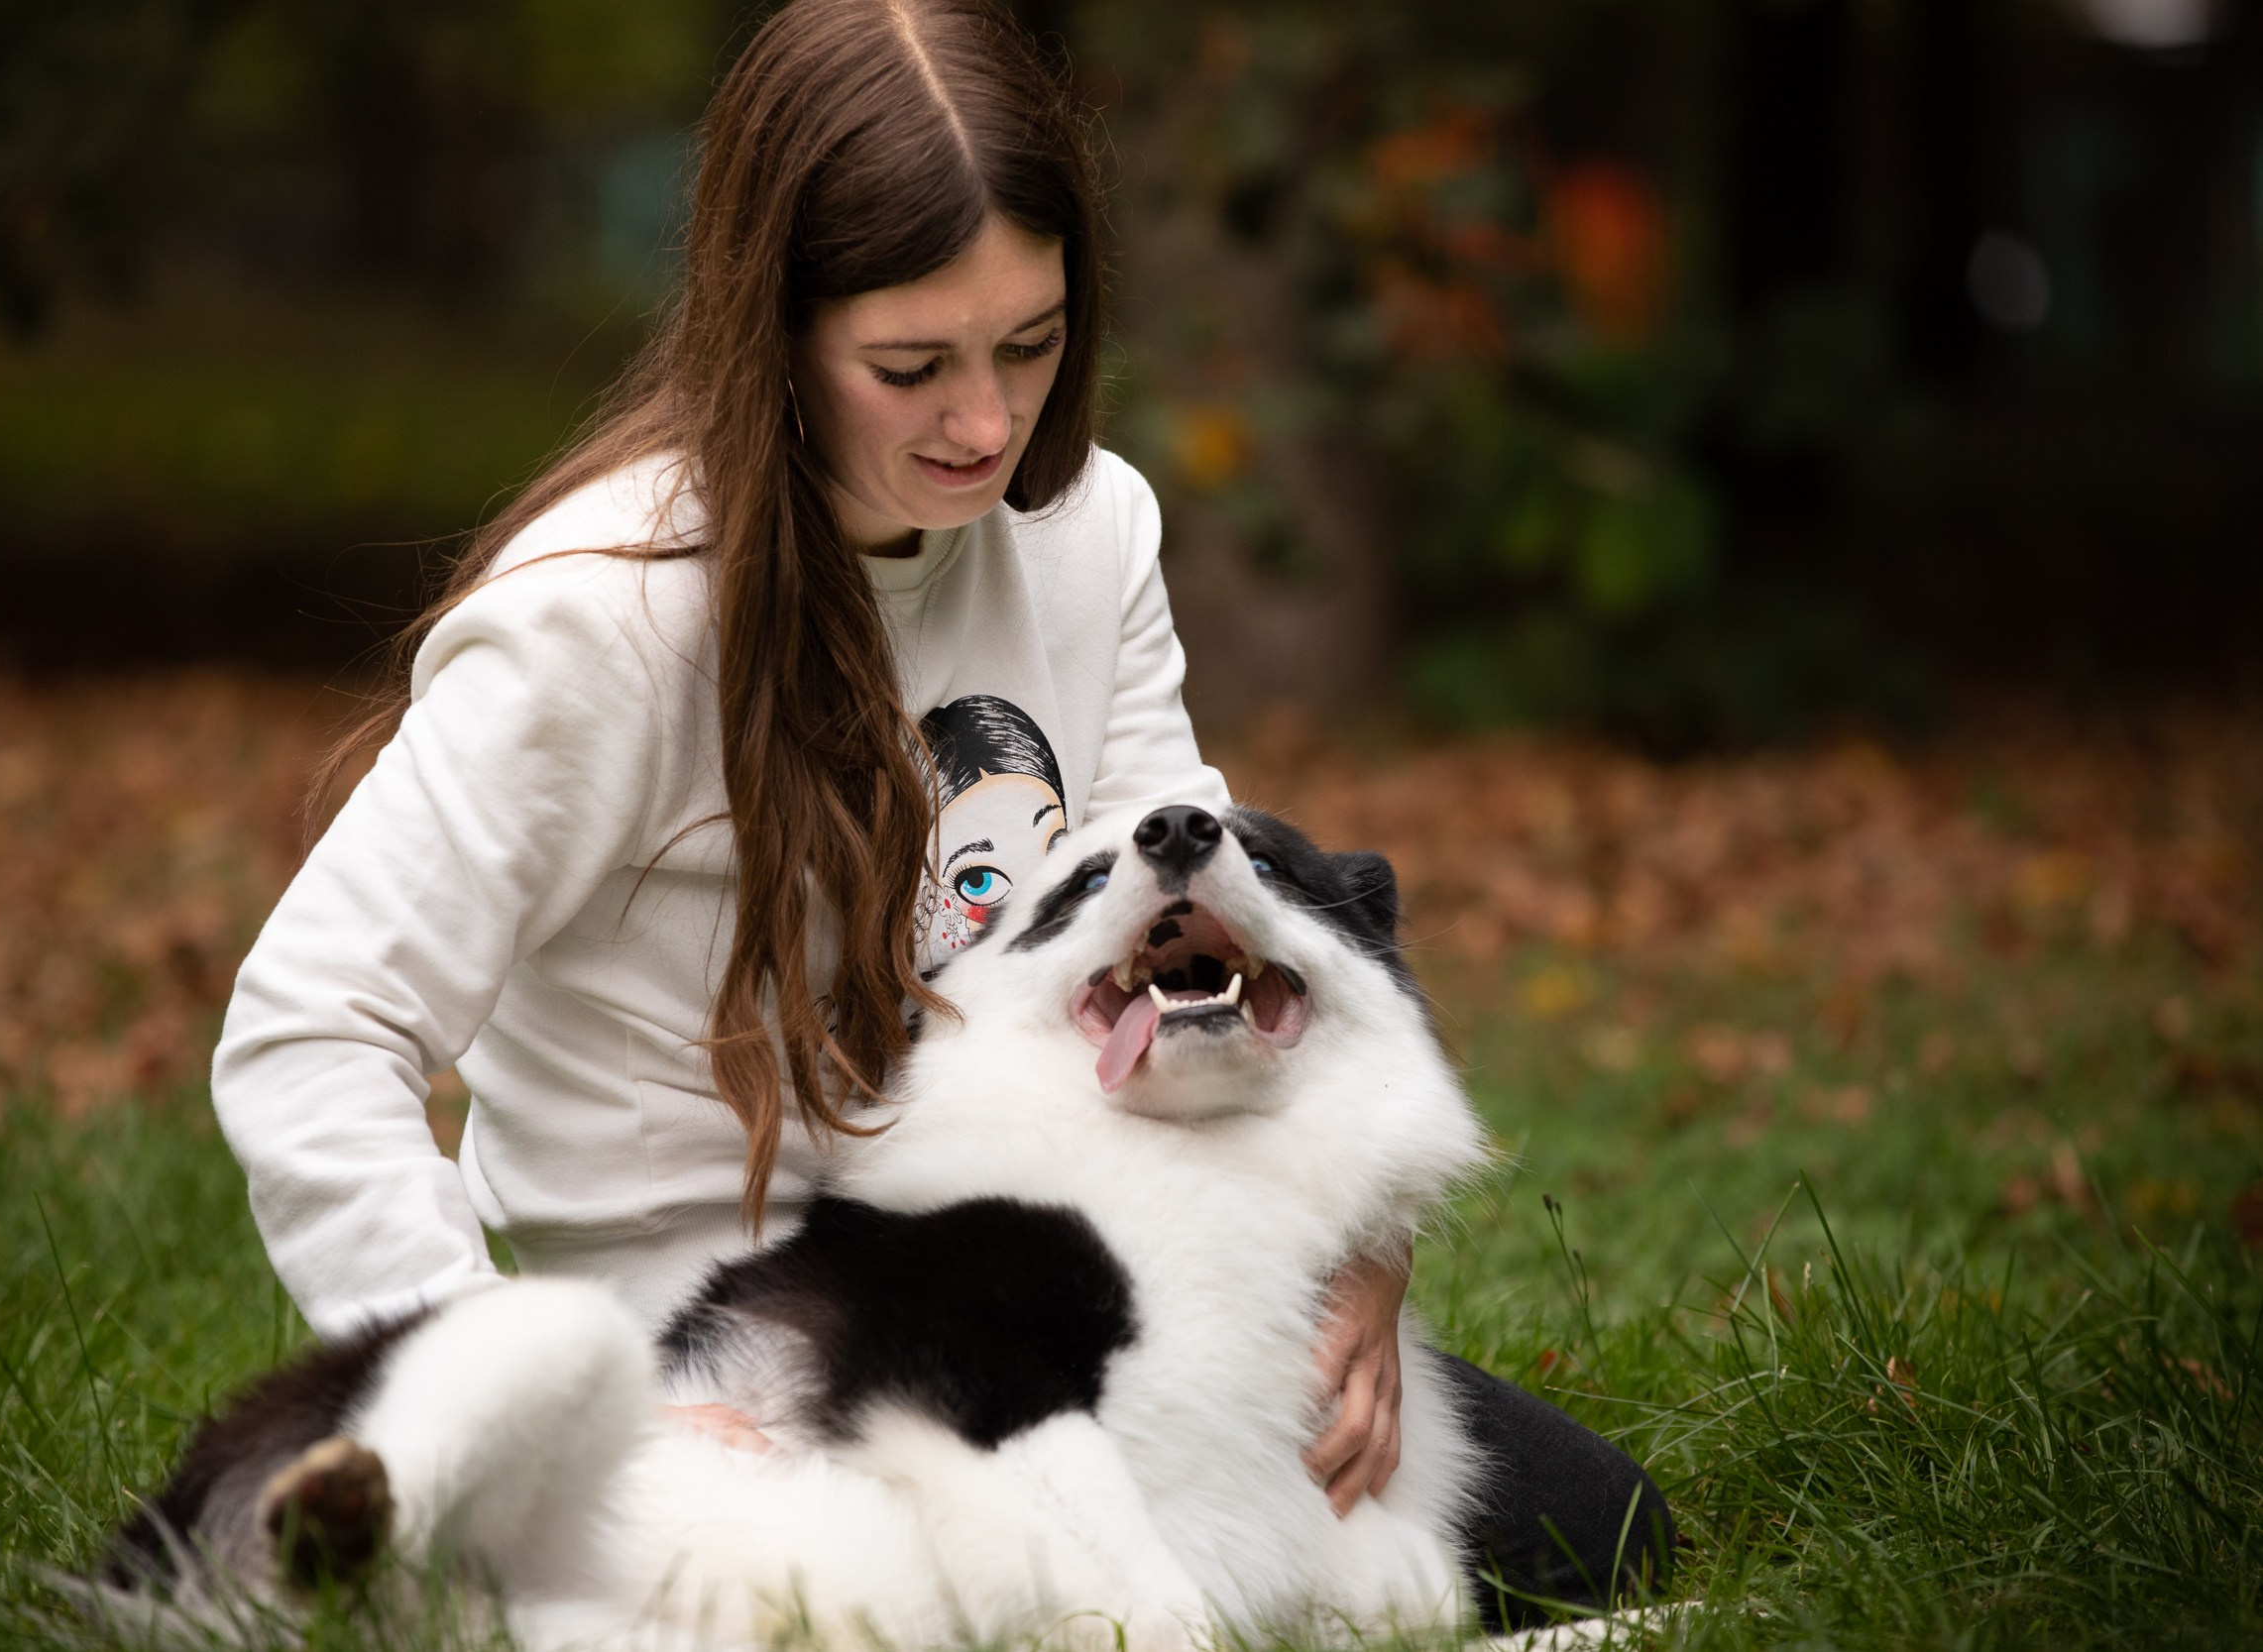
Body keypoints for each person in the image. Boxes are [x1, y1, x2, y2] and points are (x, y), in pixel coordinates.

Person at [211, 0, 1668, 1625]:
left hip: (1054, 1292)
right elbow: (311, 1029)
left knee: (1590, 1536)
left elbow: (1193, 937)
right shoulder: (594, 625)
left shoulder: (1091, 533)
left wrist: (1363, 1250)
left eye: (1030, 347)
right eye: (912, 368)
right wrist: (515, 1393)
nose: (986, 423)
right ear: (771, 330)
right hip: (716, 1357)